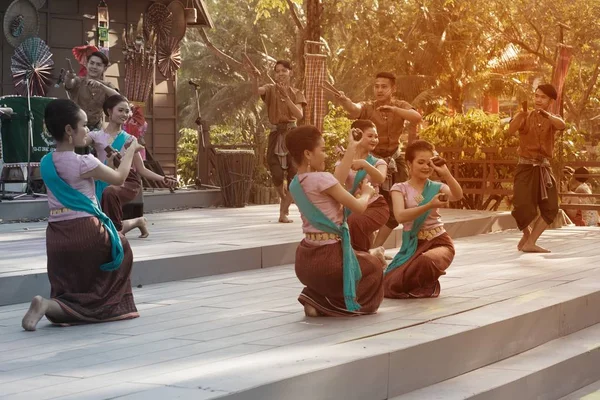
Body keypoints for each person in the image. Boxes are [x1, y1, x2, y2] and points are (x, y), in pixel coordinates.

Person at [21, 99, 143, 331]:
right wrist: (131, 150)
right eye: (84, 125)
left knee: (69, 296)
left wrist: (107, 160)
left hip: (56, 237)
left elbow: (83, 181)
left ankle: (45, 305)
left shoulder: (46, 162)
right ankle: (103, 306)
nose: (87, 130)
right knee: (122, 247)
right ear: (69, 130)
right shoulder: (84, 161)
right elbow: (119, 178)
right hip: (87, 232)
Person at [286, 125, 385, 317]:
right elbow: (358, 207)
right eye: (322, 150)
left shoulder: (295, 183)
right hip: (329, 260)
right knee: (373, 268)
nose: (325, 155)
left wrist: (351, 147)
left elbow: (335, 181)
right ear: (308, 153)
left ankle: (315, 296)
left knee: (360, 262)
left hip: (305, 261)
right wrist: (366, 193)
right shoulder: (322, 179)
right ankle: (327, 304)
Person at [335, 72, 422, 248]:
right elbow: (354, 109)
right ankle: (365, 247)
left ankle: (376, 247)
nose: (379, 90)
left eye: (384, 86)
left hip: (394, 162)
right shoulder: (369, 106)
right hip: (373, 161)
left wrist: (394, 110)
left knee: (399, 206)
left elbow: (417, 117)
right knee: (367, 204)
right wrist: (344, 101)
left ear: (393, 89)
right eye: (376, 86)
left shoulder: (400, 105)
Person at [85, 95, 175, 238]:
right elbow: (77, 143)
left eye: (127, 111)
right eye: (120, 110)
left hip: (127, 181)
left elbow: (141, 169)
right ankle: (137, 222)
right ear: (109, 112)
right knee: (97, 227)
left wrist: (162, 178)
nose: (124, 115)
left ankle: (116, 230)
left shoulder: (130, 139)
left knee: (110, 193)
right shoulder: (96, 136)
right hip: (102, 179)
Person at [383, 140, 463, 299]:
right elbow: (400, 216)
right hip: (413, 244)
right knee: (389, 284)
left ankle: (425, 283)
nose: (426, 167)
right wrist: (428, 205)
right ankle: (422, 284)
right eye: (421, 162)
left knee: (426, 261)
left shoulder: (437, 187)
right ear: (409, 164)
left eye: (430, 163)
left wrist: (446, 173)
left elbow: (457, 195)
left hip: (439, 242)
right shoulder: (399, 189)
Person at [508, 84, 567, 252]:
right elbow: (510, 131)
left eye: (542, 97)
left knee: (551, 207)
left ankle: (530, 242)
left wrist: (547, 115)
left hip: (543, 168)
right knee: (521, 207)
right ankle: (527, 238)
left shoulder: (552, 118)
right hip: (525, 167)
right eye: (536, 96)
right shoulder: (525, 116)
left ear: (550, 101)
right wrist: (520, 116)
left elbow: (562, 125)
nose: (538, 100)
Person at [253, 60, 307, 223]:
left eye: (284, 70)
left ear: (290, 72)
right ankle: (285, 198)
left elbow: (299, 115)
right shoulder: (269, 89)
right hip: (276, 133)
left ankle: (283, 213)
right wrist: (254, 78)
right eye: (277, 71)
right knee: (276, 172)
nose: (280, 74)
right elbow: (256, 91)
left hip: (292, 134)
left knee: (293, 174)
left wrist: (286, 97)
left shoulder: (297, 92)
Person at [334, 119, 389, 255]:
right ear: (357, 136)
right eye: (370, 136)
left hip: (375, 206)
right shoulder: (343, 161)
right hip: (351, 207)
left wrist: (364, 164)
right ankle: (372, 258)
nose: (374, 140)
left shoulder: (378, 162)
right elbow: (338, 181)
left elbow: (380, 178)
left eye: (376, 136)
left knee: (354, 223)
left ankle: (363, 259)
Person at [64, 51, 120, 131]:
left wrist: (101, 86)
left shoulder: (107, 86)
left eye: (98, 65)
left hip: (96, 129)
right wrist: (69, 77)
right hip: (74, 126)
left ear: (104, 68)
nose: (94, 67)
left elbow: (119, 98)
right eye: (92, 63)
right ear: (86, 65)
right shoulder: (78, 81)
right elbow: (69, 84)